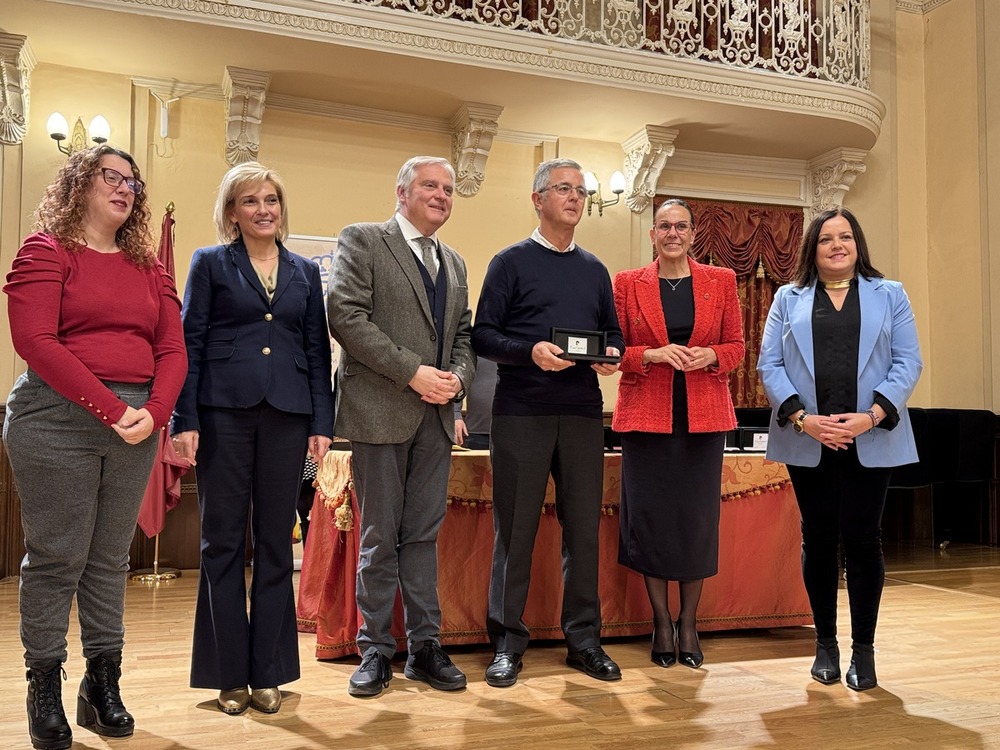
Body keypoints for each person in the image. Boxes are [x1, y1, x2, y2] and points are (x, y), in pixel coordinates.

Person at [3, 145, 187, 750]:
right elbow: (36, 341)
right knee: (57, 560)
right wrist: (113, 411)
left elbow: (172, 350)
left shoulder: (150, 266)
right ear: (79, 183)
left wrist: (154, 414)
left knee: (110, 561)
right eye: (111, 176)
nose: (125, 188)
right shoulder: (46, 251)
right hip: (56, 421)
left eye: (133, 181)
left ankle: (101, 685)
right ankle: (44, 689)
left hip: (134, 424)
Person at [171, 162, 334, 715]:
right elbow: (188, 342)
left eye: (271, 199)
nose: (264, 209)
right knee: (220, 543)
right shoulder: (210, 263)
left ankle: (268, 672)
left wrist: (321, 423)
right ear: (231, 211)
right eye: (250, 200)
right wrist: (183, 418)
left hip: (289, 416)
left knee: (274, 544)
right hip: (222, 415)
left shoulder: (305, 272)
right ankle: (226, 675)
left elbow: (316, 350)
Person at [472, 158, 624, 688]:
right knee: (515, 533)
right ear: (538, 199)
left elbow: (613, 334)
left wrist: (612, 355)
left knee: (583, 531)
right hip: (521, 413)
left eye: (582, 191)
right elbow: (482, 336)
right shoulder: (509, 262)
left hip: (582, 413)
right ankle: (507, 644)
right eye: (564, 189)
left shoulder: (594, 270)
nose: (576, 198)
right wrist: (529, 352)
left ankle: (584, 642)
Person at [327, 156, 476, 698]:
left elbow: (464, 334)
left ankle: (425, 647)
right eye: (430, 186)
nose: (441, 195)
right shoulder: (364, 240)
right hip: (380, 412)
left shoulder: (455, 262)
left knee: (422, 537)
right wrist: (414, 373)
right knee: (378, 539)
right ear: (402, 192)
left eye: (449, 189)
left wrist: (456, 380)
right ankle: (373, 650)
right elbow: (346, 316)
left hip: (437, 419)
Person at [757, 206, 922, 691]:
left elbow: (908, 361)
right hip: (809, 438)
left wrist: (870, 416)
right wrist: (805, 421)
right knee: (819, 539)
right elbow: (769, 366)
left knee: (864, 540)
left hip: (871, 434)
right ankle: (825, 645)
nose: (836, 245)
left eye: (845, 237)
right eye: (826, 238)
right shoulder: (788, 298)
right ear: (813, 248)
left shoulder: (890, 295)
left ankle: (864, 652)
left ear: (858, 245)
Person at [611, 198, 744, 670]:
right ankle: (661, 621)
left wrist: (710, 356)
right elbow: (613, 352)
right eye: (664, 226)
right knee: (650, 522)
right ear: (652, 235)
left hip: (703, 420)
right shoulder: (626, 284)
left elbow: (736, 349)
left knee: (695, 523)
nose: (673, 233)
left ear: (692, 235)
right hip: (646, 420)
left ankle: (689, 622)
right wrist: (650, 355)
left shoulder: (721, 281)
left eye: (681, 226)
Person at [453, 357, 498, 450]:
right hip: (476, 432)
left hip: (516, 430)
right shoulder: (475, 345)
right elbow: (458, 379)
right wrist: (455, 416)